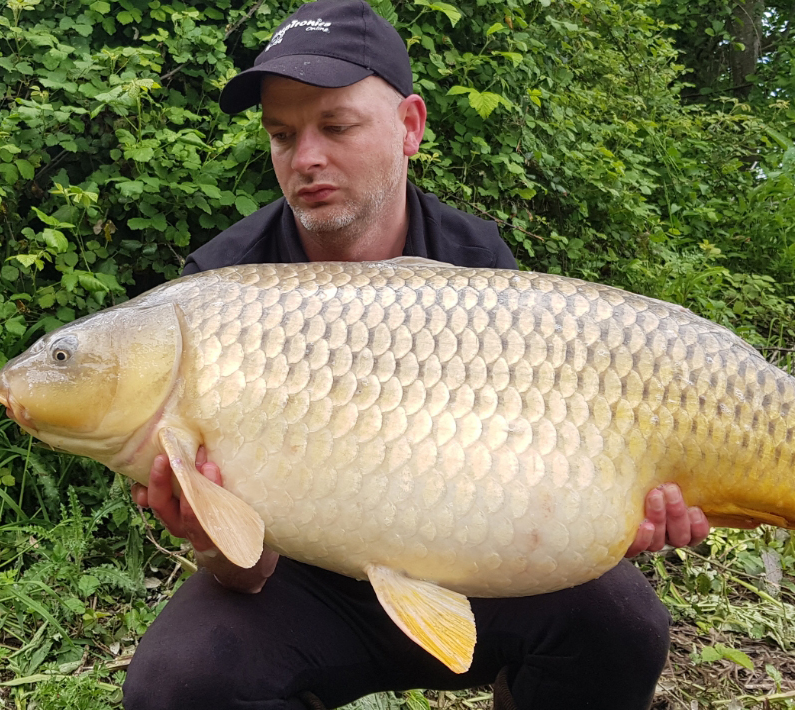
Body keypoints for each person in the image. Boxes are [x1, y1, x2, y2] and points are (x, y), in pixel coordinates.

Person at [122, 2, 710, 708]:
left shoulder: (477, 264)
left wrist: (613, 519)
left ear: (410, 126)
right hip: (304, 581)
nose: (305, 157)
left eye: (335, 126)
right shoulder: (220, 288)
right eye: (282, 135)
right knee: (178, 687)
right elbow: (245, 572)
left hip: (476, 559)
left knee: (622, 621)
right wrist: (212, 538)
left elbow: (535, 471)